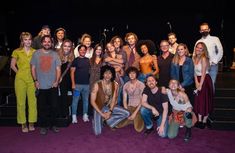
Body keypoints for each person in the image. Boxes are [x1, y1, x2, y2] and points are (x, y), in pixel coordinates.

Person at [31, 35, 61, 135]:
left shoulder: (55, 54)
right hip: (41, 86)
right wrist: (35, 80)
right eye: (45, 41)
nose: (47, 43)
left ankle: (54, 124)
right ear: (42, 43)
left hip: (53, 86)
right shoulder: (36, 54)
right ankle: (43, 126)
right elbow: (33, 68)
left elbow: (58, 69)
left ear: (51, 43)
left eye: (49, 41)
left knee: (54, 106)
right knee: (42, 108)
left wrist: (56, 81)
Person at [90, 65, 130, 135]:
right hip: (98, 107)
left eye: (109, 73)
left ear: (112, 75)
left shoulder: (115, 84)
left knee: (127, 113)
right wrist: (102, 114)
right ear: (102, 74)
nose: (107, 75)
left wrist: (110, 112)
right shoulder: (97, 84)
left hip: (108, 106)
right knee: (97, 132)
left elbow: (114, 99)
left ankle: (109, 121)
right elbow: (92, 102)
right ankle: (97, 119)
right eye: (105, 73)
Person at [10, 32, 37, 133]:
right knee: (21, 102)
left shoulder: (35, 52)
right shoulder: (17, 51)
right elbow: (12, 65)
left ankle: (31, 122)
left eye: (29, 39)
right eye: (25, 39)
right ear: (22, 41)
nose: (28, 41)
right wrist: (19, 73)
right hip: (20, 79)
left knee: (32, 102)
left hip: (32, 79)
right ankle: (23, 123)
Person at [194, 22, 223, 91]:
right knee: (202, 85)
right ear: (200, 31)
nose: (204, 31)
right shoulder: (198, 41)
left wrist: (215, 61)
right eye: (202, 30)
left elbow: (220, 51)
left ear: (209, 30)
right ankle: (204, 100)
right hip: (200, 67)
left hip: (212, 66)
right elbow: (194, 53)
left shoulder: (215, 39)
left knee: (211, 84)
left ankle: (210, 100)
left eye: (206, 29)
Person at [116, 66, 145, 132]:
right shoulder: (126, 85)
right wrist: (127, 111)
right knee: (118, 125)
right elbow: (124, 100)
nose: (132, 75)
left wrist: (134, 113)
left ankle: (136, 118)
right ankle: (131, 120)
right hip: (129, 107)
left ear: (136, 74)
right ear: (128, 74)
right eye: (130, 73)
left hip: (139, 108)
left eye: (133, 73)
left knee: (138, 129)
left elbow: (142, 101)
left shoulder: (141, 84)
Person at [192, 42, 214, 129]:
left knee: (205, 101)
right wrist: (196, 83)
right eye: (197, 47)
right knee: (199, 100)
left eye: (201, 48)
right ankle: (199, 120)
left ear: (203, 49)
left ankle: (204, 121)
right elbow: (194, 72)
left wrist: (200, 85)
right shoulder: (194, 58)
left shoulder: (204, 58)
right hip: (198, 79)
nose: (198, 49)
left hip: (205, 81)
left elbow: (204, 73)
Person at [70, 45, 90, 123]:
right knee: (75, 101)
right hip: (77, 85)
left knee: (86, 101)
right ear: (78, 51)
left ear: (86, 51)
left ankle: (85, 115)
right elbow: (72, 73)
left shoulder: (88, 60)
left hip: (86, 85)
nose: (82, 51)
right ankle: (74, 116)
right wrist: (73, 84)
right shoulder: (75, 60)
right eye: (81, 50)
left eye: (84, 50)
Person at [57, 39, 74, 117]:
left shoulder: (72, 57)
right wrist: (58, 78)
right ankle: (60, 113)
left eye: (69, 46)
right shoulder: (57, 55)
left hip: (68, 80)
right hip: (58, 78)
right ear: (62, 46)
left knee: (65, 97)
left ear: (71, 48)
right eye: (65, 46)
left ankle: (65, 114)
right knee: (59, 96)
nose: (67, 48)